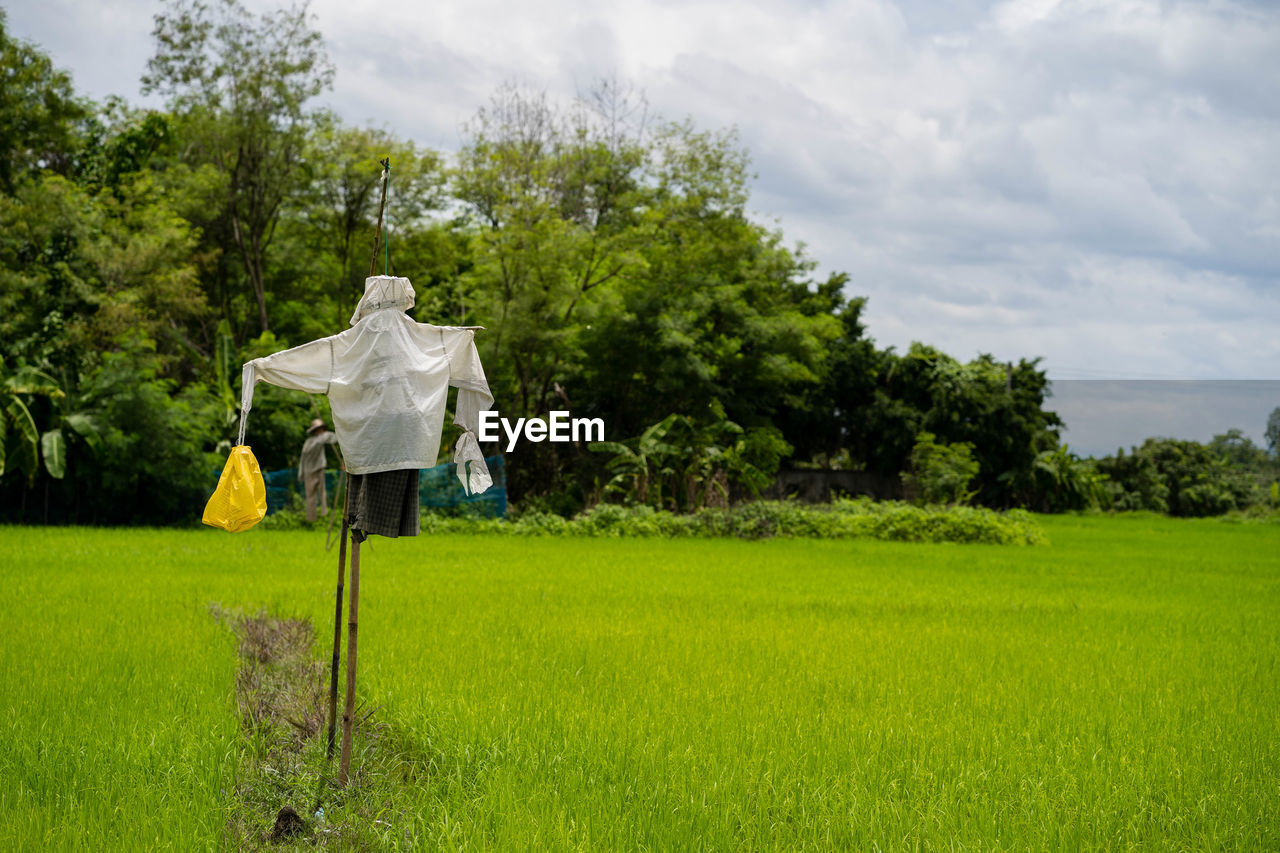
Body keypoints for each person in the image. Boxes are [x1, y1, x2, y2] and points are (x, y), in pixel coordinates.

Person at [299, 418, 340, 522]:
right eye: (319, 429)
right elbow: (303, 458)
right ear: (315, 430)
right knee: (310, 495)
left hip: (319, 469)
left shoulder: (322, 438)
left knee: (322, 492)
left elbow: (334, 438)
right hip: (309, 471)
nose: (321, 431)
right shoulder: (313, 441)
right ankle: (311, 518)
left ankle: (323, 512)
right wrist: (301, 473)